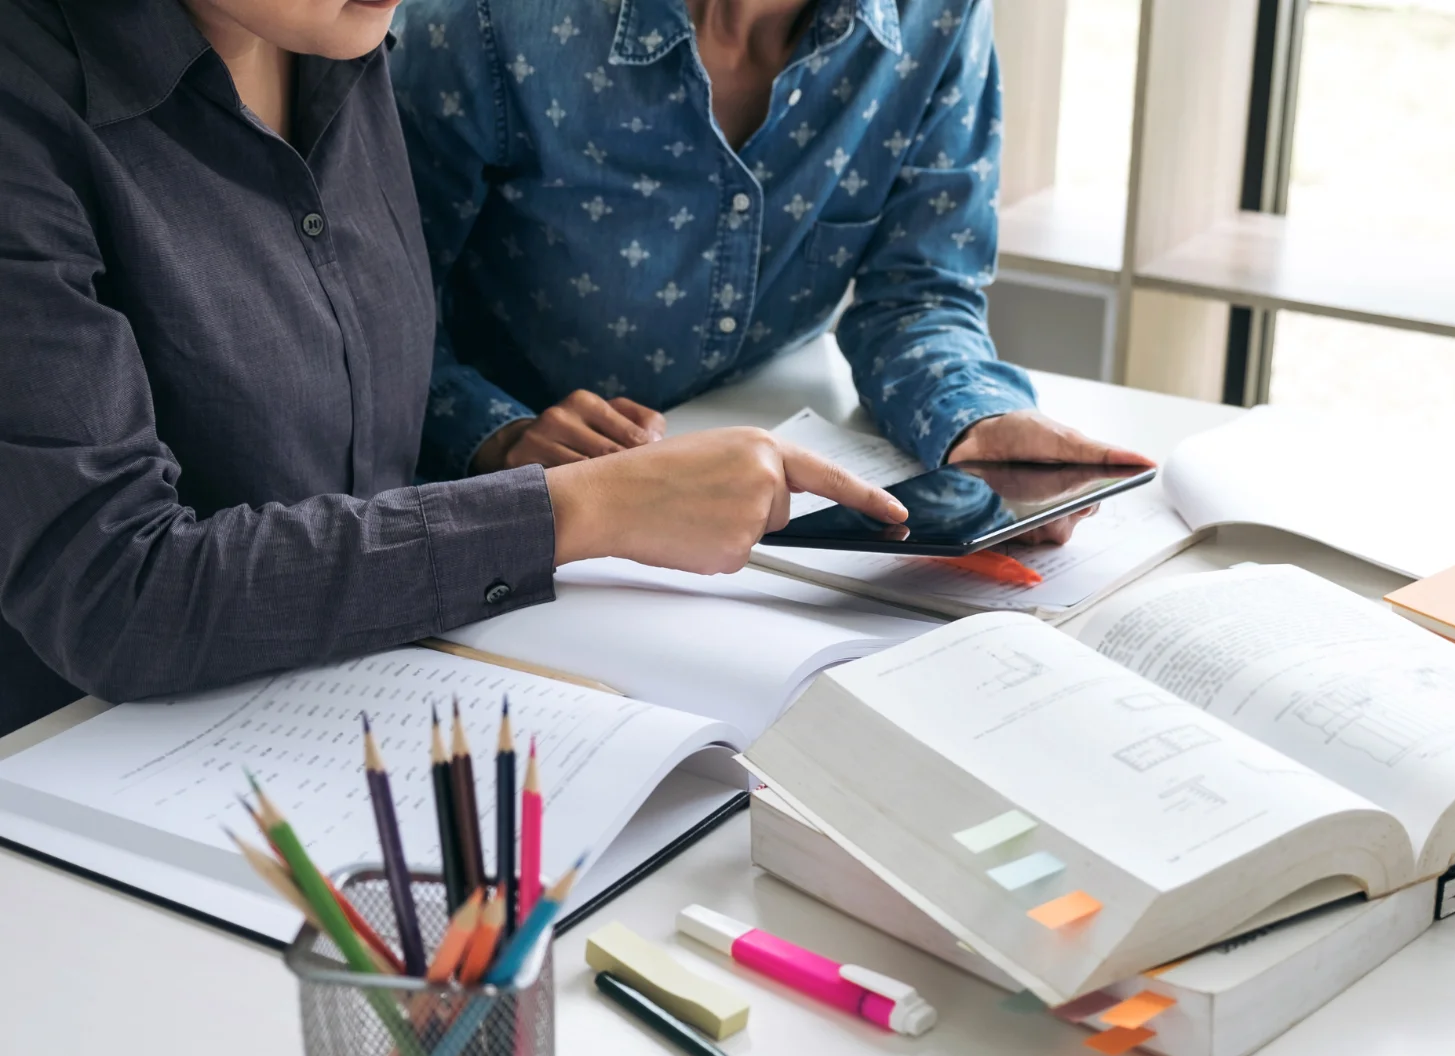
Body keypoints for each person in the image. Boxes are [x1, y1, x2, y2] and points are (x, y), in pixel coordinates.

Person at [0, 0, 905, 738]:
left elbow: (353, 446)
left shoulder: (339, 41)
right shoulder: (28, 105)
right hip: (82, 774)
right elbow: (116, 594)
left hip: (367, 700)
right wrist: (586, 510)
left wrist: (509, 456)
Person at [390, 0, 1149, 525]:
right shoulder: (485, 21)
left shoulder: (939, 19)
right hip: (519, 505)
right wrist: (496, 434)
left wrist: (974, 420)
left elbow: (919, 291)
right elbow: (369, 320)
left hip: (759, 475)